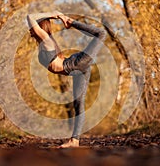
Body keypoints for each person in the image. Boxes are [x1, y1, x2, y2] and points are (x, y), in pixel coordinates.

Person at [27, 11, 106, 148]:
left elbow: (30, 16)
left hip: (76, 64)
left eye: (33, 27)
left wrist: (54, 14)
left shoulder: (45, 39)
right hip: (77, 70)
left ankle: (71, 22)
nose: (29, 30)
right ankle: (74, 141)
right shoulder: (44, 42)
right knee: (78, 104)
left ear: (40, 26)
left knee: (101, 34)